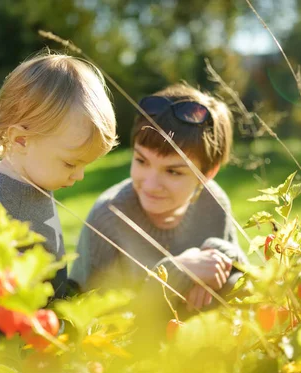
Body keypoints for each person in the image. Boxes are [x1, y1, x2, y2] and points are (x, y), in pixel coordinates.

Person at [0, 52, 117, 345]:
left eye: (85, 165)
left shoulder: (37, 178)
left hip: (36, 335)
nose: (79, 175)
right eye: (71, 163)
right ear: (21, 140)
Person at [68, 83, 246, 312]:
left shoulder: (215, 202)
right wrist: (178, 272)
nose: (150, 185)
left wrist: (216, 255)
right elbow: (87, 313)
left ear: (207, 175)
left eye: (173, 171)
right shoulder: (108, 217)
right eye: (142, 161)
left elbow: (243, 274)